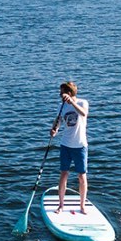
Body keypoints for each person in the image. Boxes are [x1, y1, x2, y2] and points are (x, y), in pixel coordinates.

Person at [49, 81, 90, 214]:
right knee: (64, 174)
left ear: (69, 93)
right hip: (65, 145)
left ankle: (82, 205)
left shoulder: (82, 103)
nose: (60, 95)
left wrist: (72, 102)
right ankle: (61, 205)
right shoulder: (61, 106)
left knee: (81, 176)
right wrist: (54, 129)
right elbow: (58, 120)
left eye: (62, 92)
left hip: (80, 146)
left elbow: (84, 114)